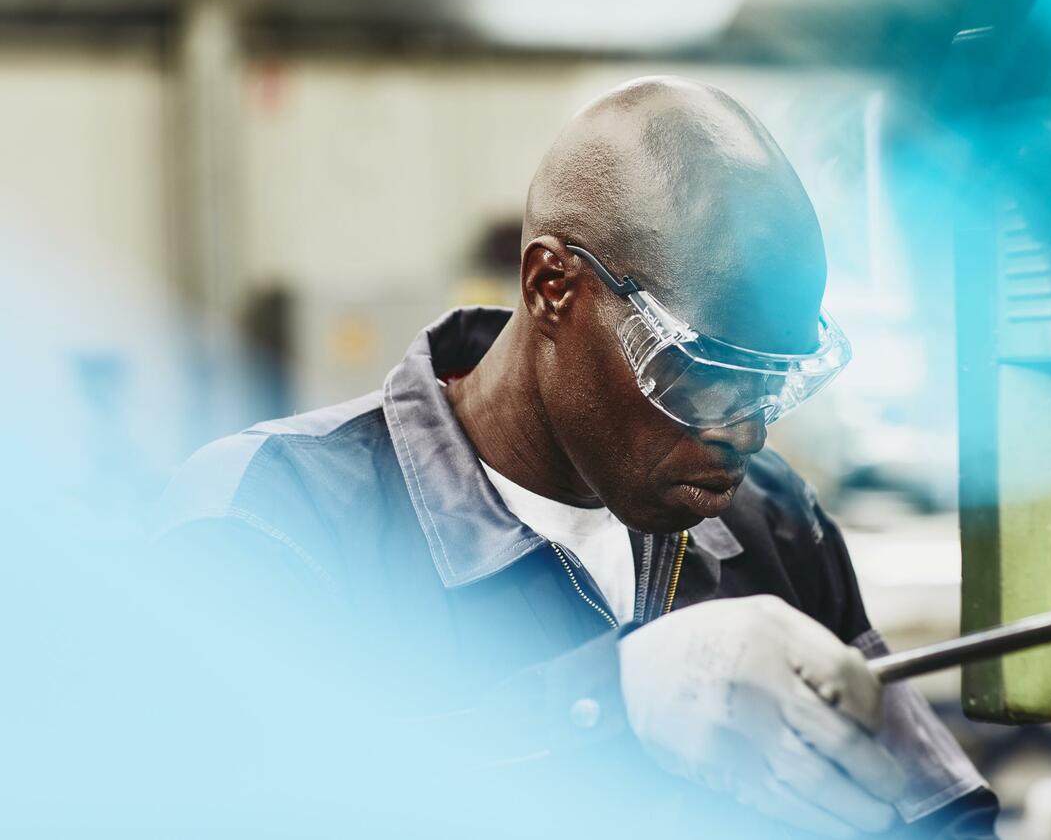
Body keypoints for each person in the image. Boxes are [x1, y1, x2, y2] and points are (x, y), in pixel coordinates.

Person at [161, 76, 998, 838]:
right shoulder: (271, 516)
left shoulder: (773, 524)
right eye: (703, 376)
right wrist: (605, 706)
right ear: (551, 287)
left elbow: (933, 814)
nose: (745, 435)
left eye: (771, 387)